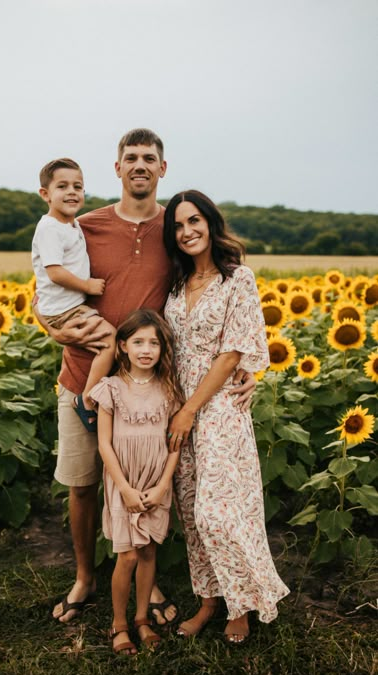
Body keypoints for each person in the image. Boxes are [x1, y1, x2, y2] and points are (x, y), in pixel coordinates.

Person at [35, 129, 256, 625]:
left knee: (151, 479)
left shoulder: (173, 230)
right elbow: (44, 287)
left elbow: (210, 296)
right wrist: (50, 326)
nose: (139, 165)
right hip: (83, 379)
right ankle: (86, 577)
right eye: (130, 158)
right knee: (83, 482)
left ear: (162, 168)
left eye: (148, 158)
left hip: (151, 390)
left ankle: (146, 583)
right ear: (117, 169)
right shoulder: (83, 226)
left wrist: (243, 366)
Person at [163, 190, 290, 643]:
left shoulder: (238, 279)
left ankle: (244, 603)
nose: (187, 231)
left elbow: (232, 350)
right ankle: (209, 601)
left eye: (194, 220)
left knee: (221, 510)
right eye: (177, 226)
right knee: (193, 513)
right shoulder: (175, 284)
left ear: (210, 223)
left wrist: (191, 410)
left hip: (217, 407)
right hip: (177, 406)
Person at [89, 309, 182, 654]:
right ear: (123, 346)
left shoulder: (170, 388)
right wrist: (125, 488)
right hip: (123, 482)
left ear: (162, 348)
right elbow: (103, 443)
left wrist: (162, 486)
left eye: (154, 343)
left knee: (147, 551)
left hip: (156, 481)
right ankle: (119, 623)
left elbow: (175, 444)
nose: (146, 349)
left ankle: (142, 618)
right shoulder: (110, 389)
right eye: (138, 341)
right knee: (126, 557)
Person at [32, 157, 115, 431]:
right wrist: (88, 285)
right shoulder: (49, 229)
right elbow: (54, 272)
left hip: (66, 307)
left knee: (105, 343)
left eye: (77, 187)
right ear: (45, 194)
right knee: (110, 341)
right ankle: (87, 400)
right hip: (65, 311)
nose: (71, 192)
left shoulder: (71, 224)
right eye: (63, 186)